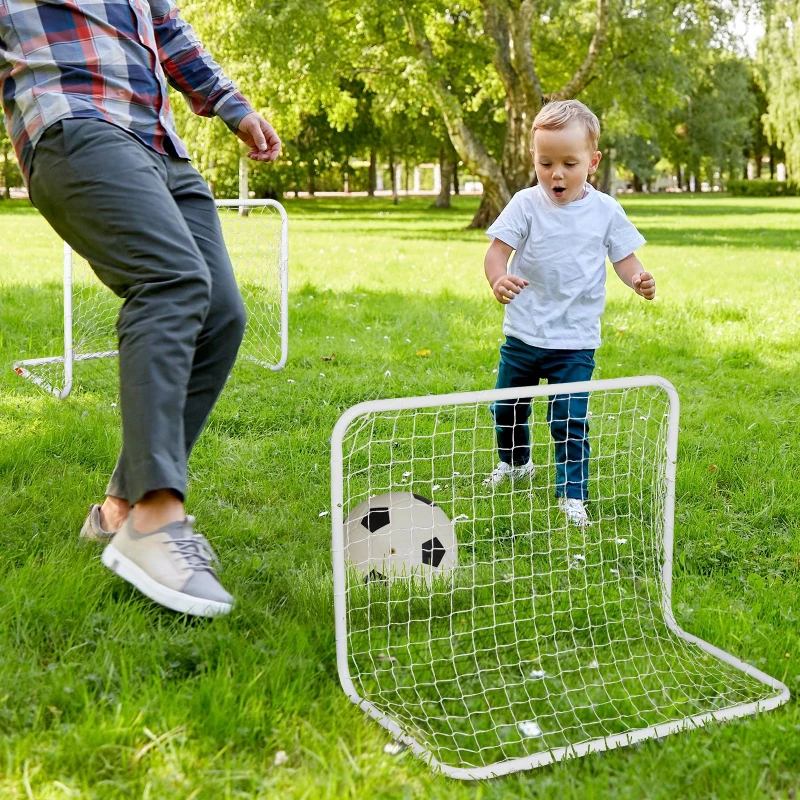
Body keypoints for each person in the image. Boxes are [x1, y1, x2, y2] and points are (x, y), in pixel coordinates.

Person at [0, 0, 281, 616]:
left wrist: (233, 107)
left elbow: (170, 30)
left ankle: (116, 512)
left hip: (159, 143)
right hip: (74, 120)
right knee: (171, 280)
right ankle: (155, 517)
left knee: (221, 314)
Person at [482, 99, 655, 527]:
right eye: (545, 163)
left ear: (592, 162)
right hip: (523, 334)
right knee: (507, 409)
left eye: (568, 164)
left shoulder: (606, 211)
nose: (555, 174)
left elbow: (624, 258)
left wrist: (637, 279)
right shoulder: (525, 204)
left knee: (569, 420)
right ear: (534, 158)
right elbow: (496, 253)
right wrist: (498, 279)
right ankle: (515, 463)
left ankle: (572, 494)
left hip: (574, 341)